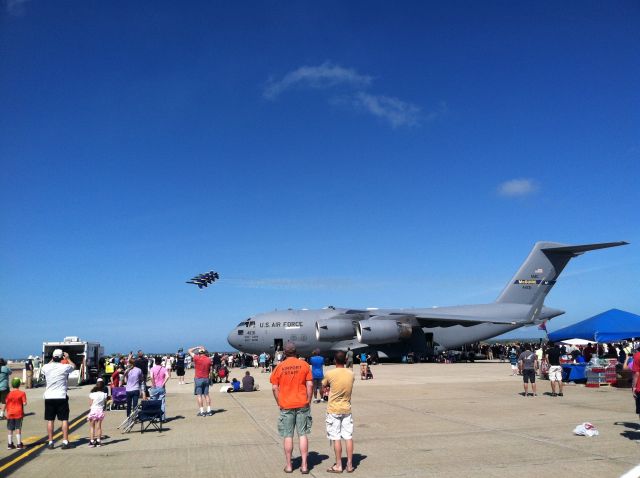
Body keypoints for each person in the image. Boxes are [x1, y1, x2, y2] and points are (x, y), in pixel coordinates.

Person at [270, 342, 313, 474]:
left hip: (286, 405)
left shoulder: (280, 366)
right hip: (302, 404)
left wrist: (279, 402)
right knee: (302, 435)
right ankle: (304, 465)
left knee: (288, 435)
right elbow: (310, 385)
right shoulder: (304, 365)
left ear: (284, 352)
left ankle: (289, 465)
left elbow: (274, 387)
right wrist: (308, 401)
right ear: (296, 351)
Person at [322, 351, 355, 473]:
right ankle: (350, 465)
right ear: (346, 360)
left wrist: (325, 390)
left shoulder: (330, 373)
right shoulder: (351, 373)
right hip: (347, 408)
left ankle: (339, 465)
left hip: (334, 409)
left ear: (335, 360)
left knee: (336, 438)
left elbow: (322, 387)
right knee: (348, 437)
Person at [42, 349, 75, 449]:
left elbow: (45, 367)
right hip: (61, 396)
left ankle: (50, 442)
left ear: (52, 357)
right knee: (64, 419)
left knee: (50, 420)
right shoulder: (64, 367)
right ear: (62, 357)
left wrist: (52, 359)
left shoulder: (46, 367)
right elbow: (74, 366)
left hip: (49, 396)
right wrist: (68, 358)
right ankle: (65, 441)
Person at [189, 346, 213, 416]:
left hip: (198, 379)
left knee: (199, 395)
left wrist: (197, 347)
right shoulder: (209, 359)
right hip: (206, 379)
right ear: (205, 353)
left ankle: (202, 412)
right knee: (207, 395)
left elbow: (189, 350)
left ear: (199, 353)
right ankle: (209, 411)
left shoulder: (197, 358)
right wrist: (211, 379)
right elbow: (211, 371)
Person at [5, 378, 27, 449]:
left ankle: (10, 444)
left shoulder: (9, 394)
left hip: (10, 413)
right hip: (18, 413)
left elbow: (6, 402)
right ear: (19, 385)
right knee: (18, 428)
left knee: (10, 429)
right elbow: (24, 403)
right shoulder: (22, 393)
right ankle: (18, 444)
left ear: (12, 384)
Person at [87, 379, 108, 447]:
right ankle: (98, 441)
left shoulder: (92, 394)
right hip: (100, 411)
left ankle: (92, 441)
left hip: (93, 411)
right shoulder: (104, 394)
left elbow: (90, 404)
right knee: (99, 427)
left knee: (92, 427)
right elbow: (105, 403)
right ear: (103, 387)